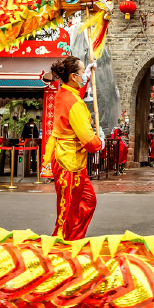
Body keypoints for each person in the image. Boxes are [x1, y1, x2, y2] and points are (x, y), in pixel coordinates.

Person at [44, 56, 103, 239]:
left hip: (74, 161)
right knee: (67, 210)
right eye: (81, 73)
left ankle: (74, 238)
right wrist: (98, 142)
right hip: (67, 161)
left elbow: (76, 93)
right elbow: (87, 138)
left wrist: (86, 75)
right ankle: (62, 246)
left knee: (87, 201)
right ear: (73, 76)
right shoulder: (74, 103)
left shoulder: (64, 92)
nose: (84, 76)